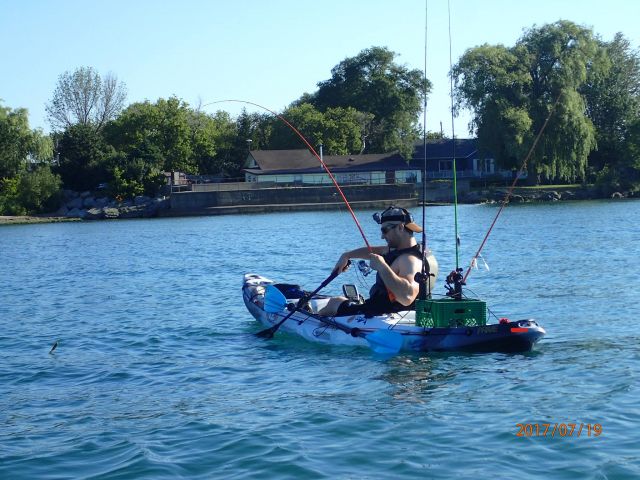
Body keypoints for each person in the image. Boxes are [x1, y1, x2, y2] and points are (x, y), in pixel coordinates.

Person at [317, 206, 438, 317]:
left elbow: (407, 297)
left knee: (335, 302)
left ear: (400, 227)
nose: (382, 236)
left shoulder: (410, 260)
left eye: (385, 230)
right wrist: (347, 255)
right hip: (390, 311)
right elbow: (375, 251)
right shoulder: (408, 250)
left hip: (385, 315)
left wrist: (382, 267)